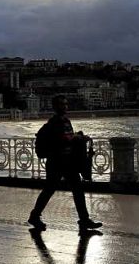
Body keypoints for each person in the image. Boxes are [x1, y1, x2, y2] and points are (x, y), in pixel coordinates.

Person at [28, 95, 102, 231]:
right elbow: (64, 139)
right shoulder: (54, 123)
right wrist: (79, 138)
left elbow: (69, 137)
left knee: (77, 189)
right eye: (62, 104)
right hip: (56, 162)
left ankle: (84, 219)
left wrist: (77, 138)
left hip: (68, 162)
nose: (65, 107)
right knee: (49, 190)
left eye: (66, 104)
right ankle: (34, 216)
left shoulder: (66, 121)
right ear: (55, 106)